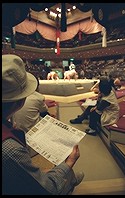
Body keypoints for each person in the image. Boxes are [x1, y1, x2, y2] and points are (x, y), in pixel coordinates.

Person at [2, 54, 84, 195]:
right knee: (63, 177)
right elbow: (47, 190)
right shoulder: (10, 150)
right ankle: (70, 180)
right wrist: (69, 163)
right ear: (19, 102)